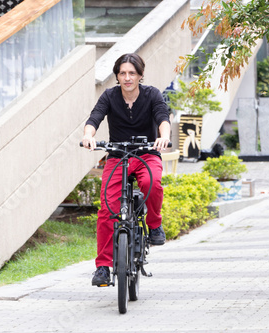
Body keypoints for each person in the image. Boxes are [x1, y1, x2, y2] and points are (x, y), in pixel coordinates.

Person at [81, 53, 171, 286]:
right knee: (107, 208)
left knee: (153, 184)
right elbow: (95, 118)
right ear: (117, 76)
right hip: (118, 156)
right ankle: (102, 266)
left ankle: (154, 225)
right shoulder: (110, 96)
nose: (127, 77)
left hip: (146, 154)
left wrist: (164, 137)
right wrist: (88, 136)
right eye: (122, 73)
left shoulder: (152, 94)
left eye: (132, 73)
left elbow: (162, 117)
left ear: (140, 75)